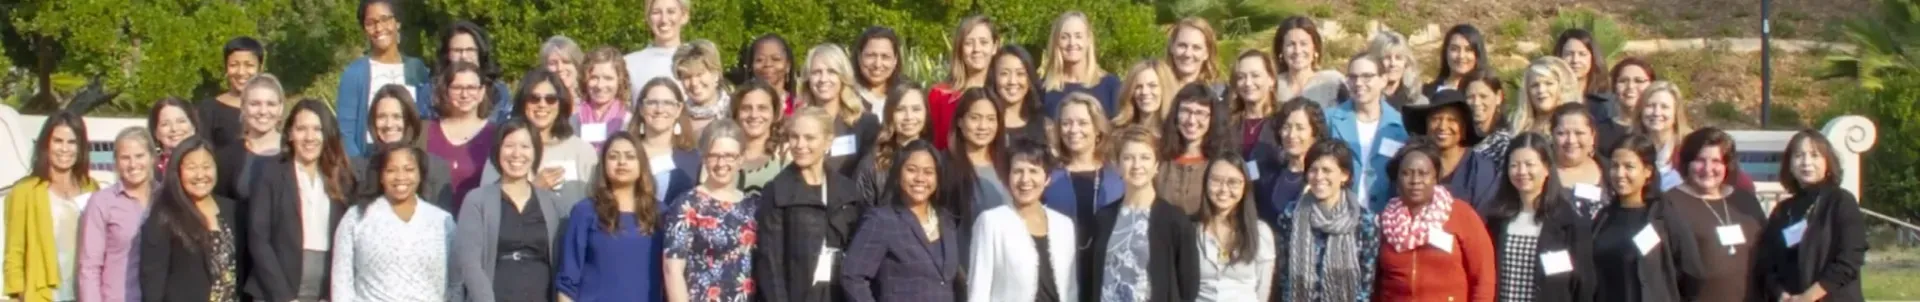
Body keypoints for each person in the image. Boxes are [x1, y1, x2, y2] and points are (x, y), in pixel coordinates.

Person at [244, 100, 356, 302]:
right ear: (290, 134)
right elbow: (259, 239)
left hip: (324, 292)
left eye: (317, 129)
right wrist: (284, 297)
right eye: (301, 129)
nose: (309, 137)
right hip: (275, 290)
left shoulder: (341, 178)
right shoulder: (271, 172)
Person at [754, 107, 870, 302]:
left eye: (809, 138)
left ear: (828, 140)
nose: (800, 145)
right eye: (794, 137)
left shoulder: (847, 190)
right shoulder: (777, 191)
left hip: (839, 292)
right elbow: (770, 263)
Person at [453, 119, 571, 302]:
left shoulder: (553, 204)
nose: (517, 154)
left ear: (535, 152)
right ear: (497, 150)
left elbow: (563, 262)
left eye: (525, 146)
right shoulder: (477, 200)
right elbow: (469, 264)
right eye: (509, 146)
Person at [1078, 126, 1200, 302]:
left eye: (1145, 157)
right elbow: (1090, 280)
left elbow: (1188, 285)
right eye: (1128, 158)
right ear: (1118, 166)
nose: (1137, 165)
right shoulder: (1103, 218)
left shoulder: (1175, 220)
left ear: (1156, 165)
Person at [1373, 133, 1497, 301]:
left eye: (1423, 173)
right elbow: (1375, 283)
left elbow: (1484, 278)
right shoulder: (1384, 220)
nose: (1415, 180)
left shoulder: (1460, 214)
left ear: (1435, 177)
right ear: (1397, 179)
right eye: (1407, 173)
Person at [840, 141, 965, 302]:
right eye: (911, 170)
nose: (920, 178)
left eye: (928, 172)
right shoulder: (881, 220)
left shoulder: (946, 220)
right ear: (898, 174)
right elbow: (852, 276)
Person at [330, 144, 456, 301]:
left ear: (420, 174)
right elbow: (341, 282)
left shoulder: (442, 221)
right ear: (381, 176)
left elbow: (455, 282)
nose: (400, 176)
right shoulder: (357, 217)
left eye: (409, 169)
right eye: (391, 170)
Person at [1756, 130, 1869, 302]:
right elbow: (1767, 262)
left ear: (1827, 163)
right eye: (1799, 155)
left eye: (1814, 155)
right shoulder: (1783, 210)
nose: (1806, 162)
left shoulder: (1841, 201)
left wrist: (1808, 297)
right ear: (1790, 164)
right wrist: (1781, 294)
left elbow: (1850, 258)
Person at [1592, 134, 1705, 302]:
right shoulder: (1604, 217)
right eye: (1615, 166)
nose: (1620, 174)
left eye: (1629, 167)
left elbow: (1692, 273)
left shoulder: (1664, 217)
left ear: (1647, 172)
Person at [556, 132, 667, 302]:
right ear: (603, 165)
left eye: (630, 157)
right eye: (613, 156)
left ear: (642, 164)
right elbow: (568, 281)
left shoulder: (660, 213)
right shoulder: (585, 211)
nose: (622, 162)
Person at [1483, 133, 1595, 301]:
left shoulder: (1568, 220)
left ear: (1546, 168)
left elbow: (1584, 283)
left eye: (1529, 165)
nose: (1522, 172)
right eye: (1514, 165)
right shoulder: (1496, 219)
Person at [1662, 128, 1765, 302]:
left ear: (1727, 165)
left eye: (1716, 161)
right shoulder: (1669, 204)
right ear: (1687, 163)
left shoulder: (1744, 201)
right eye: (1700, 160)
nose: (1708, 168)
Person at [5, 112, 97, 302]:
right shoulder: (25, 191)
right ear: (46, 143)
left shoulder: (91, 187)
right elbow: (14, 252)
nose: (64, 149)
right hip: (43, 294)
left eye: (72, 142)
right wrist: (18, 295)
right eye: (58, 141)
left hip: (84, 293)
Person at [971, 139, 1078, 301]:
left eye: (1033, 171)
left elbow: (1070, 290)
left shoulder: (1064, 225)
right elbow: (978, 289)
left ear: (1047, 178)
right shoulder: (991, 222)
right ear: (1007, 177)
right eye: (1018, 171)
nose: (1025, 179)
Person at [663, 121, 759, 302]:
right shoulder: (687, 204)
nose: (721, 163)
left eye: (729, 156)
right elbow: (672, 270)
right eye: (714, 156)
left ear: (741, 159)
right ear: (704, 158)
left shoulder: (752, 204)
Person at [136, 138, 240, 302]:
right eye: (191, 168)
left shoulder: (232, 209)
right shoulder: (164, 216)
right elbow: (152, 282)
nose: (200, 175)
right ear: (177, 172)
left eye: (206, 166)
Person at [1274, 141, 1378, 301]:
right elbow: (1285, 275)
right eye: (1313, 170)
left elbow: (1366, 283)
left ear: (1345, 175)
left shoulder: (1364, 221)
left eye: (1327, 170)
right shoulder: (1290, 216)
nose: (1319, 177)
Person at [484, 63, 597, 200]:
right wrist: (533, 190)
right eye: (534, 98)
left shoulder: (582, 151)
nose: (542, 105)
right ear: (523, 102)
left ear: (560, 103)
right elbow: (487, 203)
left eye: (551, 99)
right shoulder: (505, 149)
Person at [336, 0, 430, 156]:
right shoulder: (355, 73)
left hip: (410, 161)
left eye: (385, 19)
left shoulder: (416, 69)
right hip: (368, 161)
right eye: (370, 23)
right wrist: (359, 171)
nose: (378, 28)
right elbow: (345, 133)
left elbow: (427, 121)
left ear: (397, 22)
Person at [75, 128, 156, 302]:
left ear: (152, 157)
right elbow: (89, 267)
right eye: (125, 158)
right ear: (116, 162)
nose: (133, 164)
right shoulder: (102, 202)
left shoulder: (167, 198)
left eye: (140, 156)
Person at [1326, 53, 1409, 209]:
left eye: (1367, 77)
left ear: (1383, 80)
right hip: (1339, 215)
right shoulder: (1330, 119)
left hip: (1386, 216)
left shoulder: (1400, 125)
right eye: (1353, 77)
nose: (1358, 83)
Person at [1192, 153, 1277, 301]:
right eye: (1216, 181)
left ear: (1245, 187)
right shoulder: (1192, 230)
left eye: (1233, 182)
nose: (1223, 189)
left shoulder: (1260, 232)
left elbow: (1262, 290)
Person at [356, 84, 456, 208]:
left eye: (397, 117)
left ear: (410, 120)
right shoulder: (359, 170)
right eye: (381, 117)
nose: (389, 124)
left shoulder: (436, 169)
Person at [1040, 93, 1123, 236]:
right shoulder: (1048, 177)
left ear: (1097, 129)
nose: (1073, 130)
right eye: (1066, 123)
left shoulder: (1117, 177)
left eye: (1082, 123)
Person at [1404, 91, 1502, 208]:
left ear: (1464, 129)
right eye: (1436, 119)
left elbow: (1484, 219)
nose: (1442, 126)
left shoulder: (1482, 170)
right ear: (1426, 126)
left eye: (1452, 120)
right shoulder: (1411, 163)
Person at [799, 44, 882, 180]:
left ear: (843, 77)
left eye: (832, 72)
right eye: (816, 72)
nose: (823, 79)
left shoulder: (866, 124)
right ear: (808, 79)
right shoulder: (797, 124)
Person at [429, 63, 501, 210]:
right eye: (457, 88)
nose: (464, 94)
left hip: (477, 223)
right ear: (446, 91)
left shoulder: (497, 135)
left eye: (471, 88)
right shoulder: (425, 130)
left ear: (481, 92)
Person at [418, 21, 514, 122]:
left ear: (480, 52)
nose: (463, 56)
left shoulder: (498, 91)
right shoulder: (430, 92)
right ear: (447, 54)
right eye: (457, 50)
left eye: (470, 50)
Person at [1157, 83, 1229, 216]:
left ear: (1212, 118)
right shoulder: (1159, 158)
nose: (1191, 120)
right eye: (1185, 111)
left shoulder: (1220, 163)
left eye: (1200, 113)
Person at [930, 16, 999, 149]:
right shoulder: (940, 96)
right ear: (960, 48)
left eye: (983, 42)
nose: (976, 49)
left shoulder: (1001, 94)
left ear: (994, 47)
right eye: (969, 43)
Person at [1251, 99, 1324, 223]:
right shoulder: (1263, 167)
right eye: (1286, 127)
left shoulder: (1322, 176)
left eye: (1300, 128)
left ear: (1314, 133)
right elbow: (1239, 172)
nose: (1291, 135)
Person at [629, 78, 702, 203]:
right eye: (652, 102)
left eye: (668, 103)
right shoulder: (625, 152)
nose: (659, 109)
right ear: (641, 108)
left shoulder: (694, 159)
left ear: (678, 109)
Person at [855, 84, 933, 201]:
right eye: (900, 110)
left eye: (916, 109)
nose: (909, 117)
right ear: (890, 114)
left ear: (926, 113)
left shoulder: (937, 160)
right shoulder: (872, 166)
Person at [216, 75, 286, 200]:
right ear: (243, 107)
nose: (263, 111)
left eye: (271, 104)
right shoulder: (226, 157)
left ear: (280, 108)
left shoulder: (294, 150)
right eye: (255, 104)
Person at [1040, 11, 1121, 117]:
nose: (1072, 43)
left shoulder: (1111, 86)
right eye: (1064, 37)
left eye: (1078, 36)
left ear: (1088, 40)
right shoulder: (1043, 89)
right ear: (1056, 42)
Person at [1551, 104, 1621, 219]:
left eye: (1579, 133)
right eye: (1562, 133)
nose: (1571, 140)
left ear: (1592, 136)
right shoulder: (1542, 173)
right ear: (1552, 135)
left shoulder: (1611, 170)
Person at [948, 90, 1009, 216]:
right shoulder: (945, 166)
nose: (983, 126)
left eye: (991, 119)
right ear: (960, 122)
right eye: (975, 118)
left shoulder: (1009, 163)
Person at [200, 37, 262, 149]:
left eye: (249, 65)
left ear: (260, 68)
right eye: (234, 65)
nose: (241, 72)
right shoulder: (209, 110)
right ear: (226, 68)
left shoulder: (270, 109)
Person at [731, 80, 788, 196]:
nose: (754, 115)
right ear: (736, 114)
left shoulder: (785, 155)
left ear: (775, 113)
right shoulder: (722, 154)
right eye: (746, 108)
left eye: (762, 108)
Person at [1271, 16, 1345, 107]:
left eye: (1303, 44)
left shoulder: (1332, 83)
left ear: (1315, 48)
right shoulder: (1271, 86)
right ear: (1281, 50)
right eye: (1290, 44)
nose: (1297, 51)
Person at [1634, 82, 1694, 191]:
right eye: (1650, 106)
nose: (1657, 112)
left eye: (1664, 107)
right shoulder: (1630, 146)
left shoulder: (1691, 147)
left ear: (1676, 113)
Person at [988, 46, 1050, 145]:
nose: (1012, 81)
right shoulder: (984, 126)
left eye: (1020, 73)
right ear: (993, 77)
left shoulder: (1044, 125)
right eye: (1004, 73)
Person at [579, 47, 635, 148]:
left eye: (608, 78)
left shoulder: (629, 122)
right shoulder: (574, 120)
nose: (600, 85)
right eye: (594, 78)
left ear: (620, 80)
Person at [626, 0, 690, 89]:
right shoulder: (629, 64)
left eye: (671, 11)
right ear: (648, 18)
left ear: (684, 16)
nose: (664, 19)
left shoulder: (699, 60)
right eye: (656, 12)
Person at [728, 34, 797, 113]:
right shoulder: (738, 106)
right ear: (751, 66)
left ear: (788, 66)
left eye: (776, 59)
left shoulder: (799, 108)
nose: (768, 64)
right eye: (760, 60)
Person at [1512, 56, 1582, 134]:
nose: (1541, 90)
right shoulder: (1517, 127)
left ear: (1562, 87)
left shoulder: (1575, 126)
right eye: (1535, 85)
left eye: (1549, 83)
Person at [1226, 50, 1279, 152]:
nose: (1248, 83)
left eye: (1255, 75)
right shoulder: (1227, 122)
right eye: (1241, 77)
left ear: (1271, 79)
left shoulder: (1284, 119)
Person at [677, 40, 732, 137]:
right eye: (687, 77)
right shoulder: (676, 115)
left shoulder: (735, 111)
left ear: (716, 74)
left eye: (699, 74)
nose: (694, 83)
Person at [1464, 72, 1516, 165]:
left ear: (1498, 97)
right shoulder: (1460, 139)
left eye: (1483, 96)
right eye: (1470, 97)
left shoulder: (1505, 144)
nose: (1476, 102)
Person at [852, 27, 905, 117]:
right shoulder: (846, 95)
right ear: (859, 57)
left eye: (885, 56)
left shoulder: (905, 95)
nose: (877, 64)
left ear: (895, 60)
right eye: (871, 55)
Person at [1423, 24, 1490, 95]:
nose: (1461, 56)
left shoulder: (1487, 92)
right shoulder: (1426, 93)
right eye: (1454, 49)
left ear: (1477, 54)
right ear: (1445, 52)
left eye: (1468, 50)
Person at [1370, 30, 1427, 108]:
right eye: (1387, 57)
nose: (1393, 63)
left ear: (1406, 62)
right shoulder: (1363, 99)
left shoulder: (1419, 102)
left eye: (1398, 58)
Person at [1112, 59, 1175, 130]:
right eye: (1138, 86)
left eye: (1152, 85)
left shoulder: (1176, 131)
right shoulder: (1118, 132)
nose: (1144, 92)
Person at [1597, 58, 1655, 128]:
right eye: (1623, 81)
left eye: (1639, 81)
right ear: (1614, 86)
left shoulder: (1660, 129)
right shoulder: (1599, 130)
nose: (1630, 86)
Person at [150, 98, 201, 176]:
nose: (174, 128)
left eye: (181, 121)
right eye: (165, 124)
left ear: (193, 125)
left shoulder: (211, 163)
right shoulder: (149, 170)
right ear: (156, 132)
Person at [1165, 17, 1220, 90]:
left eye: (1196, 48)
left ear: (1207, 53)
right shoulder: (1157, 91)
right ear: (1172, 47)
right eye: (1182, 45)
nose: (1188, 54)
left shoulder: (1220, 95)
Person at [1555, 29, 1611, 97]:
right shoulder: (1549, 98)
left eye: (1582, 54)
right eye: (1569, 54)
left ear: (1593, 57)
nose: (1575, 60)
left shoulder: (1606, 101)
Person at [541, 36, 588, 105]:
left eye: (566, 62)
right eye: (553, 63)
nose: (560, 68)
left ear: (577, 65)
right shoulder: (539, 101)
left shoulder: (591, 100)